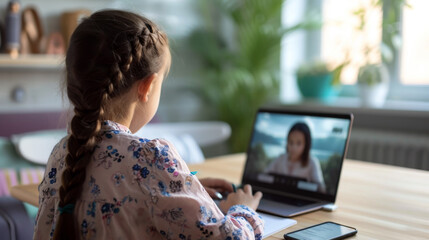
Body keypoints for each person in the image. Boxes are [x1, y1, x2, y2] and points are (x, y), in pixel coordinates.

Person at [33, 10, 263, 240]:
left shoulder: (61, 154)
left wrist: (178, 191)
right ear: (147, 86)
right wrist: (244, 209)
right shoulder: (152, 158)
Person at [264, 122, 326, 193]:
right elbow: (264, 175)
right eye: (291, 142)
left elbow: (321, 189)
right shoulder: (280, 158)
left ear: (306, 145)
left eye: (299, 143)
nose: (294, 147)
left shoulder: (312, 162)